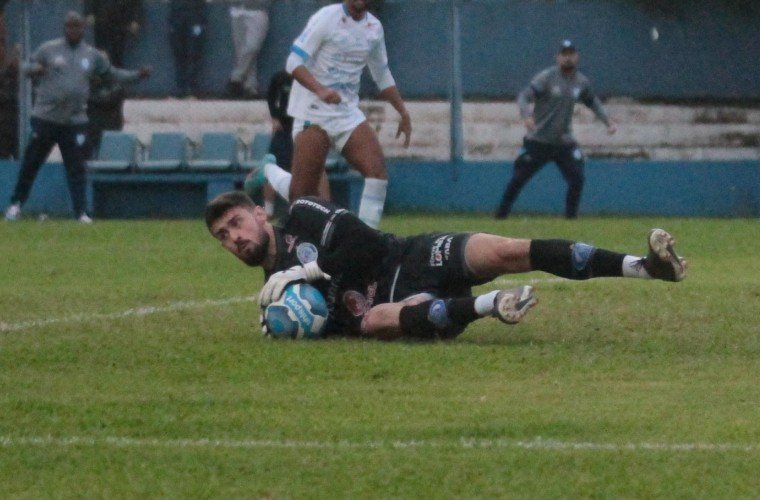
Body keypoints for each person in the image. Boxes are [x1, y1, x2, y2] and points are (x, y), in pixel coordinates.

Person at [205, 191, 687, 341]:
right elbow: (340, 325)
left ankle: (644, 266)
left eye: (236, 223)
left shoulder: (304, 214)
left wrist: (309, 271)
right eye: (224, 237)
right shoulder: (278, 299)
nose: (235, 238)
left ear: (259, 214)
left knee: (504, 250)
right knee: (374, 321)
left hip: (410, 254)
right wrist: (292, 326)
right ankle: (489, 306)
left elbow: (367, 244)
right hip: (397, 304)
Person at [3, 12, 151, 223]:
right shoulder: (49, 49)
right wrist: (34, 69)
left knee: (77, 168)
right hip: (46, 118)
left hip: (74, 122)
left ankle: (81, 212)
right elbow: (25, 67)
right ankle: (16, 205)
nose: (74, 30)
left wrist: (136, 76)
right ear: (64, 29)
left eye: (78, 27)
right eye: (70, 27)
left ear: (83, 29)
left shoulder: (91, 55)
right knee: (31, 164)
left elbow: (111, 73)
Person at [279, 0, 412, 229]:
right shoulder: (327, 17)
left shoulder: (374, 28)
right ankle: (269, 172)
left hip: (347, 113)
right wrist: (320, 90)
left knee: (377, 173)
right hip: (314, 112)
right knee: (302, 195)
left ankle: (367, 241)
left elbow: (381, 73)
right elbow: (293, 62)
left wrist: (402, 111)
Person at [496, 40, 618, 220]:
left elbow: (593, 102)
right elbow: (524, 96)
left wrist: (608, 121)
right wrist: (526, 115)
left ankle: (570, 219)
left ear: (576, 57)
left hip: (563, 142)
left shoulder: (581, 82)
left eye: (571, 54)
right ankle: (500, 216)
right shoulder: (546, 78)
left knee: (577, 177)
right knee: (518, 179)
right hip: (539, 140)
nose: (568, 58)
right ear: (558, 57)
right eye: (564, 54)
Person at [226, 0, 272, 99]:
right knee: (241, 51)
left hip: (258, 10)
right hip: (237, 10)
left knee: (252, 46)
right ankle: (250, 87)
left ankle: (236, 77)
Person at [85, 0, 142, 67]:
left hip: (122, 22)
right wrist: (89, 12)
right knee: (102, 55)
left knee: (117, 56)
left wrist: (136, 19)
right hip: (101, 21)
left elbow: (137, 4)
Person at [168, 0, 206, 98]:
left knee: (194, 53)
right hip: (177, 15)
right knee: (179, 53)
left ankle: (193, 89)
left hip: (195, 15)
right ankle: (180, 88)